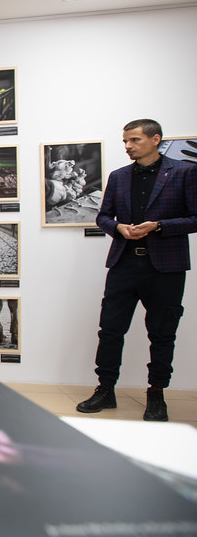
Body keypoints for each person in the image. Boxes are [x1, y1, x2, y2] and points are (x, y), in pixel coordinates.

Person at [76, 119, 197, 422]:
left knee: (162, 333)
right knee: (110, 330)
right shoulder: (118, 177)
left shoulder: (184, 172)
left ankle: (156, 394)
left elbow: (195, 218)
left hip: (166, 267)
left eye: (134, 140)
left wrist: (159, 226)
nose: (128, 146)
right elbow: (102, 217)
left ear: (155, 139)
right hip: (124, 263)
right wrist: (117, 227)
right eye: (125, 141)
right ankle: (106, 389)